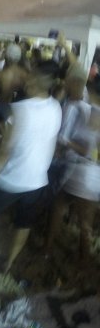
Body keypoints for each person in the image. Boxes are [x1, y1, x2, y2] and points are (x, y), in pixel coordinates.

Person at [0, 61, 62, 273]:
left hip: (11, 178)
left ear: (34, 81)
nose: (24, 80)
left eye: (28, 76)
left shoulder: (17, 110)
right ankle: (9, 263)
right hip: (37, 179)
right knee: (23, 224)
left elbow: (3, 152)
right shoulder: (56, 107)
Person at [46, 74, 100, 261]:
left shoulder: (93, 112)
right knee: (83, 222)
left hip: (84, 172)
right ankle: (82, 261)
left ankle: (48, 249)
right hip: (88, 174)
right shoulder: (90, 109)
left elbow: (87, 149)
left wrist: (66, 142)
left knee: (63, 211)